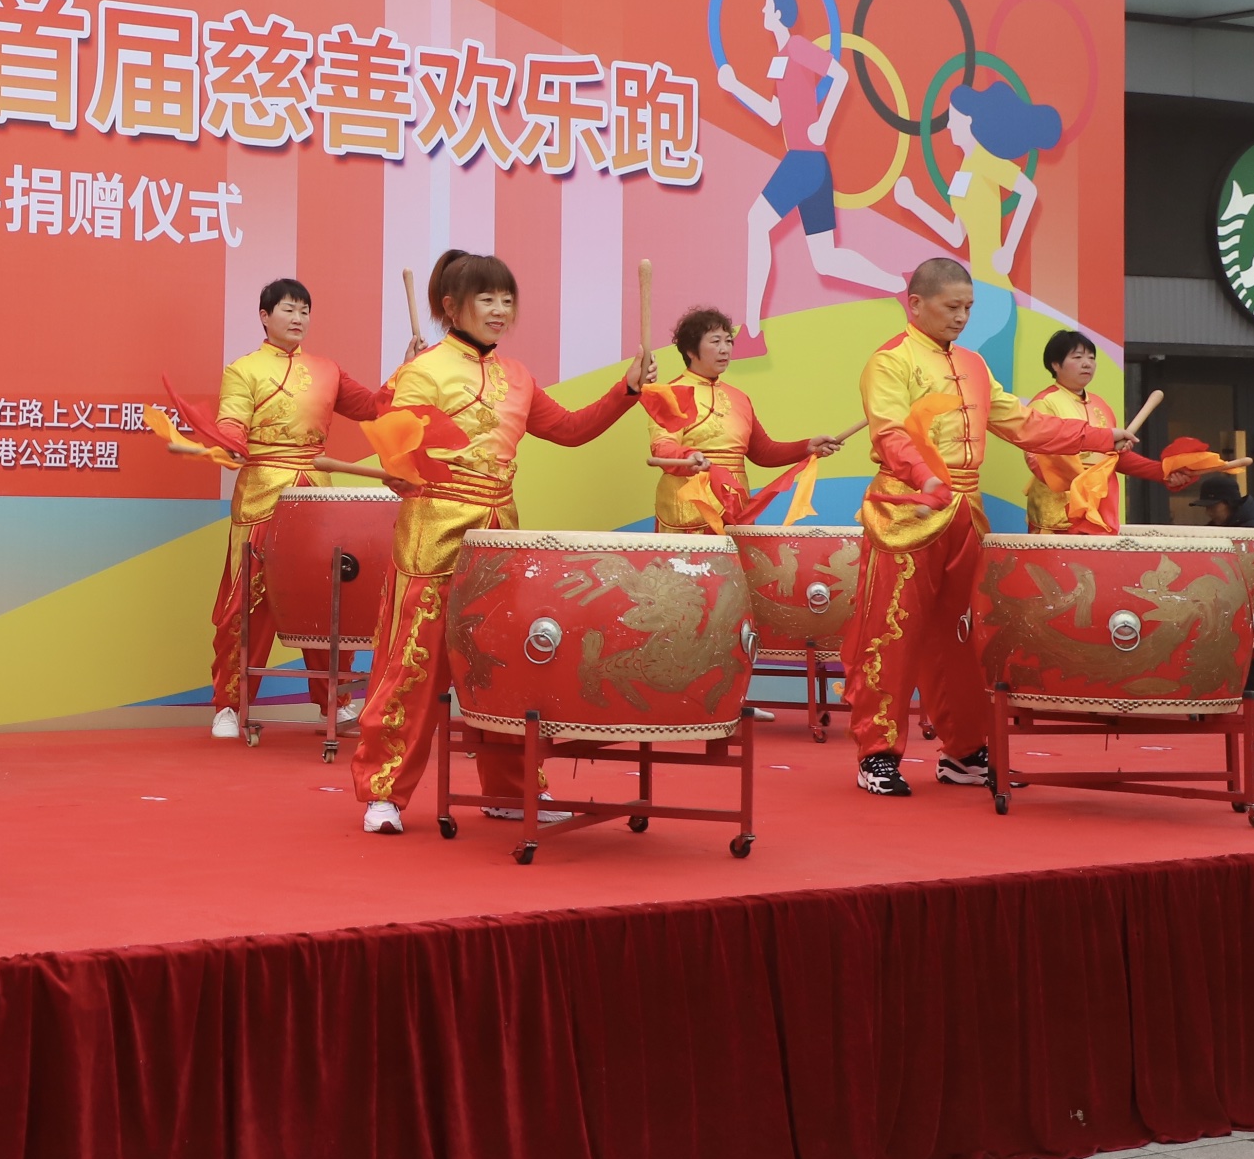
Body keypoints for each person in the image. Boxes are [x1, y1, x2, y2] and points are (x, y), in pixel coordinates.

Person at [350, 251, 651, 834]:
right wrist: (399, 468)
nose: (499, 309)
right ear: (451, 306)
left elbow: (570, 430)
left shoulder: (518, 377)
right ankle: (383, 791)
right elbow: (394, 449)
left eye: (506, 299)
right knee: (413, 665)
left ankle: (510, 791)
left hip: (498, 539)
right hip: (433, 533)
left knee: (504, 669)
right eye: (486, 298)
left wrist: (628, 388)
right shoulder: (424, 371)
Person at [846, 257, 1126, 798]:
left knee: (963, 636)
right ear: (916, 304)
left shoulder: (973, 365)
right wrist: (926, 477)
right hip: (907, 510)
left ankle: (965, 750)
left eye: (968, 307)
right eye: (952, 306)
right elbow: (890, 434)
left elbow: (1023, 424)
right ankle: (876, 753)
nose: (961, 317)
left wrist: (1097, 437)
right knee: (893, 632)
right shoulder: (890, 362)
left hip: (965, 514)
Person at [202, 278, 396, 740]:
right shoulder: (244, 370)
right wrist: (229, 442)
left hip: (316, 499)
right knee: (247, 602)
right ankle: (229, 704)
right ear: (264, 316)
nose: (298, 318)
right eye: (288, 309)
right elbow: (232, 421)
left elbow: (373, 406)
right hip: (262, 495)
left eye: (304, 310)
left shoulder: (327, 370)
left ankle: (337, 703)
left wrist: (407, 373)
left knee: (328, 600)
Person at [723, 0, 900, 343]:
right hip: (811, 166)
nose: (762, 11)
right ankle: (899, 284)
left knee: (757, 221)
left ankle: (752, 333)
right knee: (826, 259)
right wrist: (735, 86)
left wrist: (823, 123)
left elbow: (840, 75)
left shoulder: (798, 47)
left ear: (779, 13)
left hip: (804, 161)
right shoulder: (780, 59)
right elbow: (774, 114)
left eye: (766, 6)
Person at [889, 80, 1063, 378]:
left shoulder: (984, 159)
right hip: (982, 293)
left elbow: (1028, 191)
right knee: (978, 386)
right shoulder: (965, 172)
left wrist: (1008, 250)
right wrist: (914, 203)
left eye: (953, 118)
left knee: (960, 376)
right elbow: (956, 233)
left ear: (968, 121)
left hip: (992, 292)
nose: (948, 126)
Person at [645, 306, 843, 535]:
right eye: (715, 341)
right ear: (690, 349)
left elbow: (763, 452)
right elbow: (663, 448)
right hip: (690, 510)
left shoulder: (740, 398)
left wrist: (807, 447)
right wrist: (688, 457)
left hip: (735, 508)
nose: (725, 349)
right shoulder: (669, 393)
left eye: (728, 341)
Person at [1024, 328, 1192, 534]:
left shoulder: (1101, 405)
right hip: (1060, 511)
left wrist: (1163, 472)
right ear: (1056, 364)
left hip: (1099, 507)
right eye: (1077, 357)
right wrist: (1079, 482)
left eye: (1091, 357)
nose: (1087, 363)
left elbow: (1115, 458)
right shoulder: (1045, 403)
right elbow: (1034, 456)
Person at [1190, 473, 1254, 536]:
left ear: (1230, 503)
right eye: (1206, 507)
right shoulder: (1215, 527)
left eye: (1212, 507)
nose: (1208, 512)